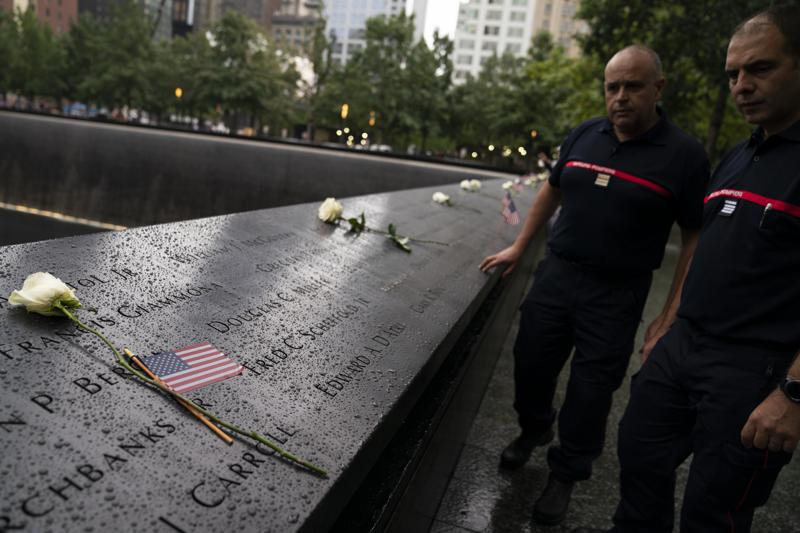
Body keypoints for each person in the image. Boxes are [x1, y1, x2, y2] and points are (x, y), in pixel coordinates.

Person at [572, 5, 800, 533]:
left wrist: (793, 394)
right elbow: (704, 244)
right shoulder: (739, 155)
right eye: (733, 74)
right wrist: (668, 322)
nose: (741, 86)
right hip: (684, 349)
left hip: (756, 370)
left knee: (713, 511)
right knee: (638, 463)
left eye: (760, 69)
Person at [479, 45, 710, 526]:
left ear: (658, 89)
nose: (620, 97)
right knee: (529, 364)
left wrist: (670, 313)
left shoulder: (685, 156)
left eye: (633, 86)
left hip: (617, 292)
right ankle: (535, 426)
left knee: (592, 390)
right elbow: (552, 188)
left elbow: (694, 237)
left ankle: (566, 472)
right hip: (557, 275)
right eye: (612, 87)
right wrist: (521, 246)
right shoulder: (585, 133)